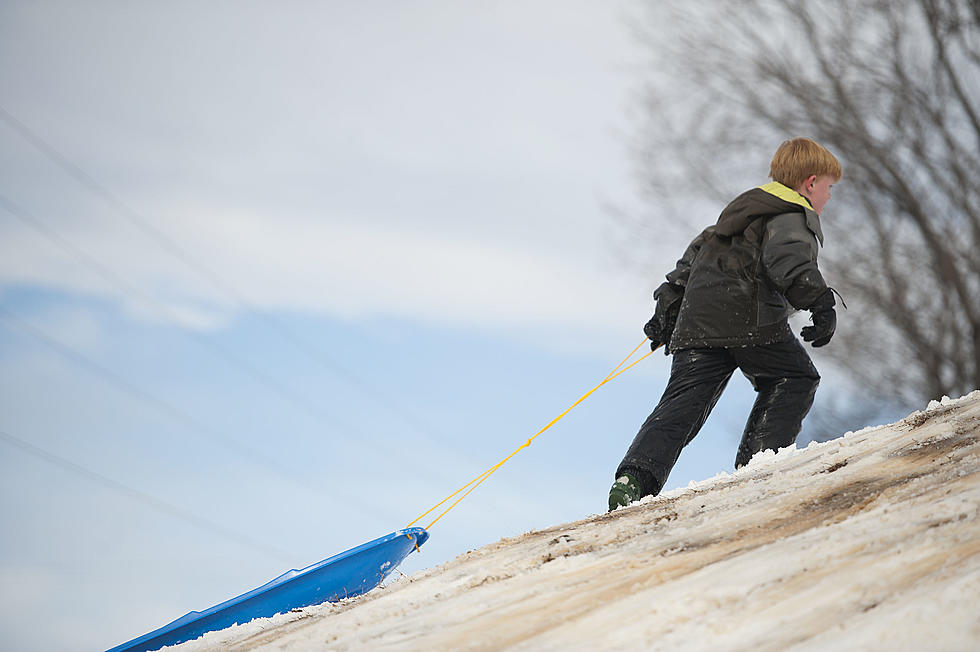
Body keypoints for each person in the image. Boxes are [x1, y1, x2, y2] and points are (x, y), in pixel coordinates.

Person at [609, 137, 842, 511]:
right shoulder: (791, 214)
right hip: (752, 322)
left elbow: (686, 269)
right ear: (810, 183)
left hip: (698, 326)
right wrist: (821, 303)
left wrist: (665, 316)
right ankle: (758, 466)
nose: (829, 198)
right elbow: (788, 262)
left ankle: (633, 479)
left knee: (681, 405)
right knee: (795, 377)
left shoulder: (727, 222)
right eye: (830, 188)